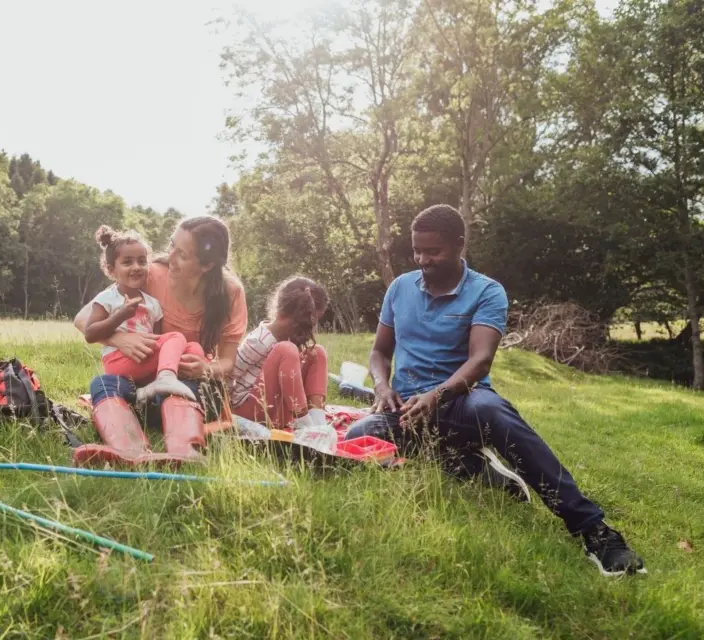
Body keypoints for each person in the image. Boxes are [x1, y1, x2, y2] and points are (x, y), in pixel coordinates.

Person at [344, 204, 647, 576]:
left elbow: (480, 360)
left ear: (459, 244)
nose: (423, 259)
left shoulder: (487, 292)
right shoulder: (400, 288)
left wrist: (437, 396)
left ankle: (594, 532)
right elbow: (378, 352)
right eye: (417, 250)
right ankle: (471, 466)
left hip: (461, 402)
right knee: (359, 435)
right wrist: (381, 387)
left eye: (433, 251)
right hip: (406, 409)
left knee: (492, 411)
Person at [73, 216, 247, 463]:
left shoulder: (230, 292)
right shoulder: (151, 273)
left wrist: (205, 369)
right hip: (145, 384)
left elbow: (228, 362)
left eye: (182, 255)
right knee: (101, 384)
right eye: (171, 245)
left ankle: (183, 450)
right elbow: (83, 318)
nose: (170, 257)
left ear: (206, 265)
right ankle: (129, 449)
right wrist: (120, 339)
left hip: (191, 385)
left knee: (183, 386)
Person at [83, 226, 201, 405]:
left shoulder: (152, 304)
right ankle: (166, 378)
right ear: (111, 270)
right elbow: (90, 334)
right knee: (176, 337)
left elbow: (157, 340)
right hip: (118, 361)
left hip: (142, 363)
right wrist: (120, 316)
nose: (136, 267)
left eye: (142, 261)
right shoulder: (107, 298)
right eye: (127, 262)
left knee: (193, 349)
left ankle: (160, 393)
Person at [231, 276, 330, 430]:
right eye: (314, 320)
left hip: (275, 410)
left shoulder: (289, 338)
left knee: (317, 352)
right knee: (286, 350)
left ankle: (318, 424)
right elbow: (227, 376)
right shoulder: (259, 340)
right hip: (249, 413)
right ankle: (305, 426)